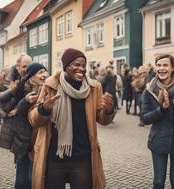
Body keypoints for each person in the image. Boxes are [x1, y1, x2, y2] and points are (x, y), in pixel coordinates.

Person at [28, 48, 115, 189]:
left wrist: (109, 110)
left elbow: (103, 120)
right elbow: (33, 120)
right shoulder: (51, 86)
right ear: (66, 66)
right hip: (55, 157)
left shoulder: (94, 88)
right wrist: (43, 109)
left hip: (82, 157)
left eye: (83, 65)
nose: (81, 69)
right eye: (76, 65)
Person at [141, 54, 174, 189]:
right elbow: (144, 118)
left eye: (165, 65)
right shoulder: (150, 90)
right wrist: (162, 109)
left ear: (173, 68)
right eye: (158, 65)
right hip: (159, 140)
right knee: (158, 181)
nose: (161, 68)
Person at [11, 63, 48, 189]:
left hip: (40, 141)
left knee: (37, 179)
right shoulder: (22, 90)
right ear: (32, 77)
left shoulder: (49, 91)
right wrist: (25, 101)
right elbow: (14, 112)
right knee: (22, 180)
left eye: (45, 72)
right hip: (24, 142)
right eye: (40, 72)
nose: (44, 75)